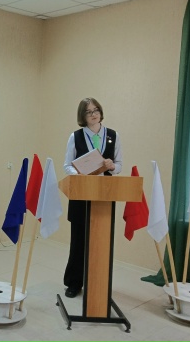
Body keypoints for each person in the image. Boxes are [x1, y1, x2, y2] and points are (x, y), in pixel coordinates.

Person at [62, 97, 123, 298]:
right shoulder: (76, 136)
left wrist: (113, 167)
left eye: (96, 110)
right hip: (81, 195)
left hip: (104, 196)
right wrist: (78, 173)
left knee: (101, 242)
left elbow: (119, 165)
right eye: (88, 112)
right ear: (83, 116)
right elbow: (67, 165)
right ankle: (74, 283)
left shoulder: (113, 135)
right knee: (78, 241)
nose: (93, 114)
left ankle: (99, 283)